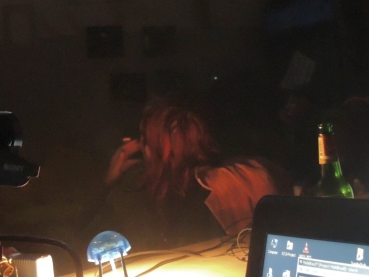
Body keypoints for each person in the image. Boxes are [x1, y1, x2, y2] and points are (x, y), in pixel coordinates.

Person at [102, 99, 292, 247]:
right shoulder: (252, 170)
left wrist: (109, 183)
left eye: (145, 141)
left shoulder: (177, 199)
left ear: (154, 148)